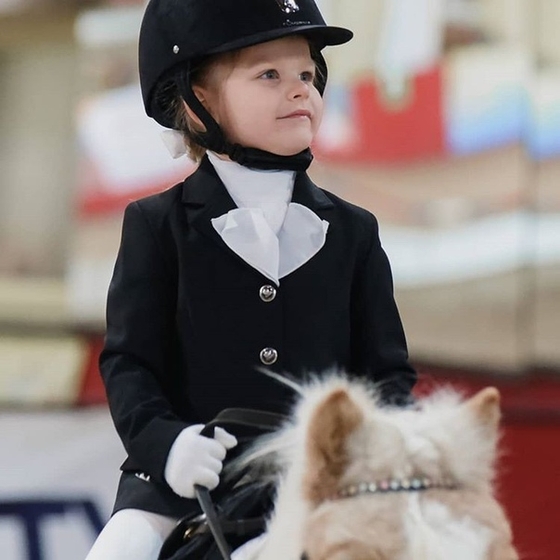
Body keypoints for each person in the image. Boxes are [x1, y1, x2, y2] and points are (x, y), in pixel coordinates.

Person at [85, 0, 417, 558]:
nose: (300, 91)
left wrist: (369, 458)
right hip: (181, 486)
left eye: (307, 74)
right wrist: (167, 447)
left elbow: (386, 376)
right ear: (196, 102)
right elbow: (130, 363)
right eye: (270, 75)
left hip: (321, 487)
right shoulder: (154, 225)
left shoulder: (354, 231)